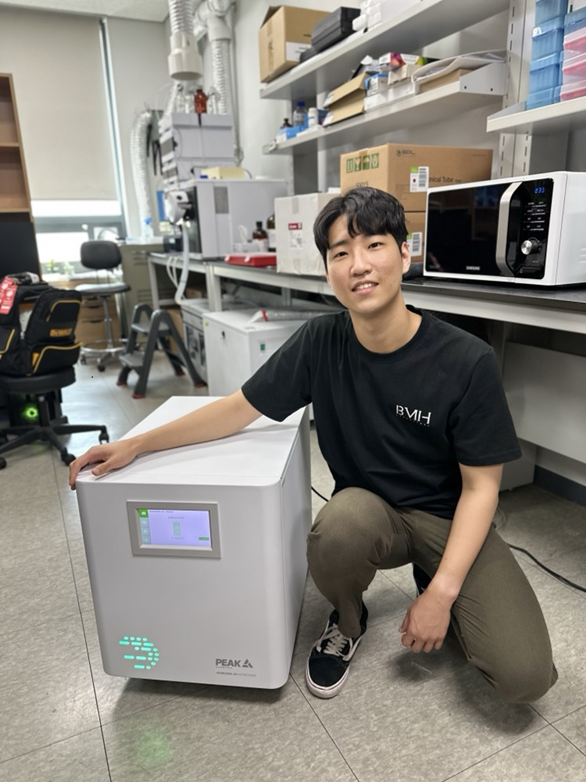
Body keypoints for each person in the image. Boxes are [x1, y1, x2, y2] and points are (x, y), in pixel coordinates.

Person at [69, 187, 557, 703]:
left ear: (405, 252)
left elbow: (482, 490)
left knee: (523, 676)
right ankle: (348, 620)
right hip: (368, 514)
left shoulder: (466, 360)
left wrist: (442, 593)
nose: (358, 265)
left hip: (447, 518)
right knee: (337, 528)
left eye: (374, 245)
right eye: (341, 253)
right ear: (328, 270)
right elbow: (238, 408)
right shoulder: (320, 343)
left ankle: (434, 581)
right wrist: (139, 444)